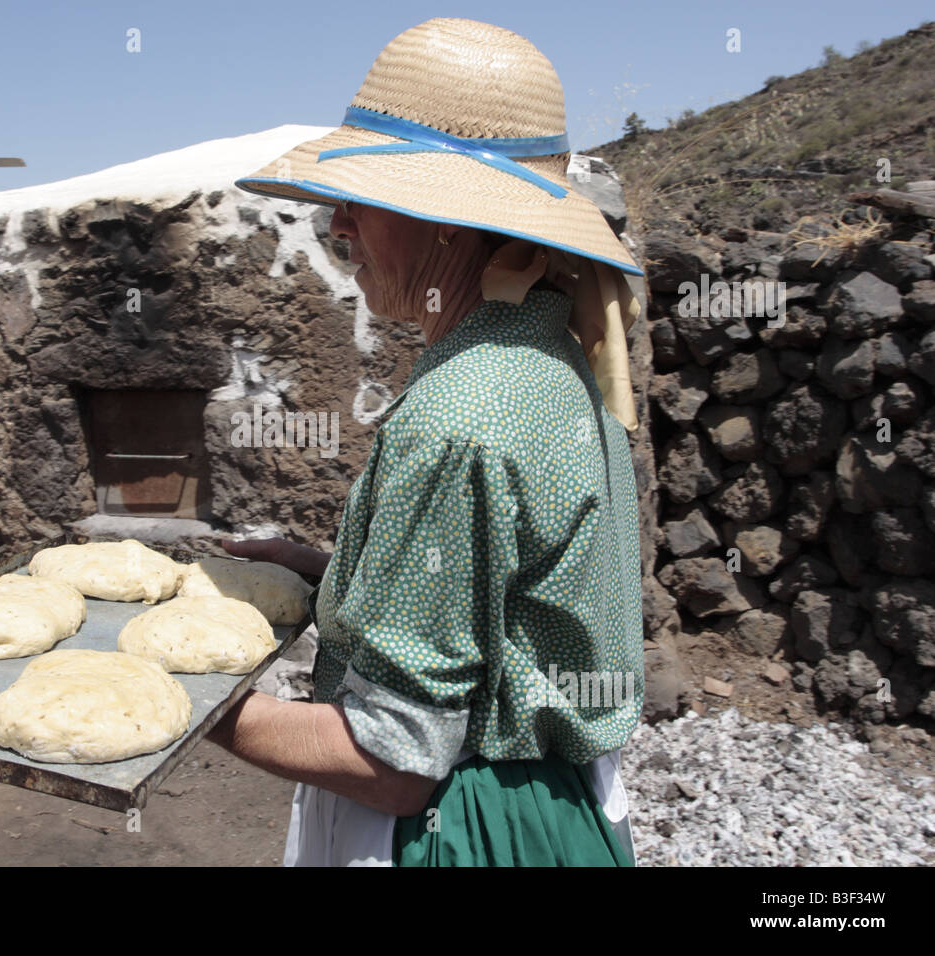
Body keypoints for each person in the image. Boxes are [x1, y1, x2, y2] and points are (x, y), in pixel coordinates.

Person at [203, 18, 645, 867]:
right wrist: (330, 573)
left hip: (463, 832)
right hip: (553, 814)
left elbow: (393, 759)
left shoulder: (463, 410)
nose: (336, 225)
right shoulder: (535, 354)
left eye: (360, 198)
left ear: (445, 220)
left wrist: (179, 703)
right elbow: (495, 603)